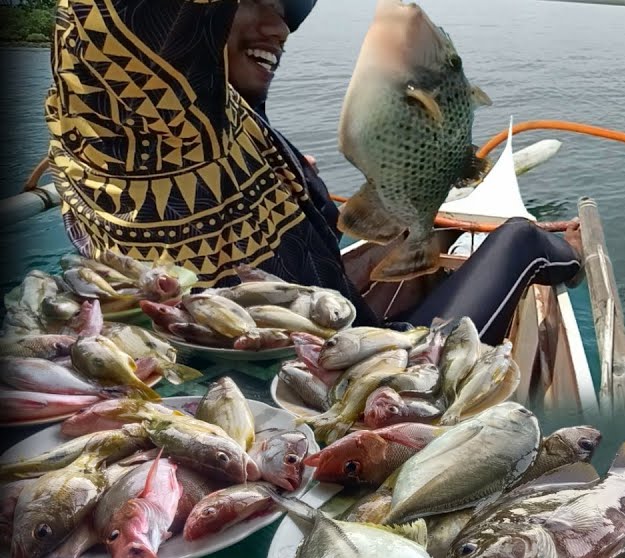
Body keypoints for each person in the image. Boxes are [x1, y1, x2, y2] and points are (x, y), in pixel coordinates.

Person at [43, 0, 581, 344]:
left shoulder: (223, 122)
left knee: (412, 249)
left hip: (312, 328)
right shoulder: (154, 113)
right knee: (522, 239)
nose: (281, 28)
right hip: (355, 375)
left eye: (288, 13)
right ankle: (577, 259)